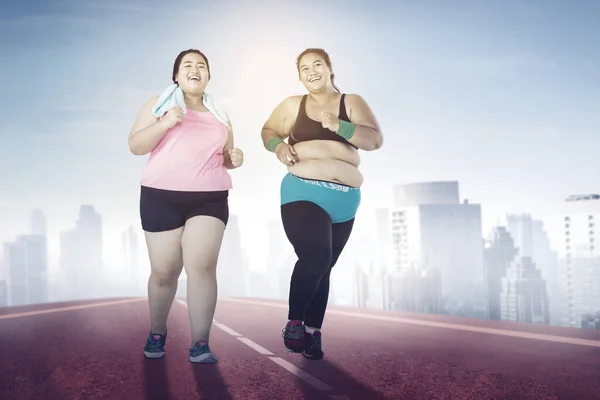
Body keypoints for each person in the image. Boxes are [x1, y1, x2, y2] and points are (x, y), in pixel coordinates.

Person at [260, 48, 383, 360]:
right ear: (299, 76)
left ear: (330, 69)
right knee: (316, 256)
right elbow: (268, 130)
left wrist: (340, 125)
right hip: (303, 191)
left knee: (324, 266)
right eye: (304, 68)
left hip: (345, 200)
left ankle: (313, 333)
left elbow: (374, 140)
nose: (311, 71)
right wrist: (278, 147)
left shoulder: (351, 102)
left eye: (317, 65)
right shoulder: (292, 105)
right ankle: (294, 323)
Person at [128, 49, 243, 363]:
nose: (195, 69)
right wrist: (165, 123)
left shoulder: (221, 115)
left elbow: (227, 156)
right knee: (165, 273)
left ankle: (200, 343)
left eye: (202, 65)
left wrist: (235, 159)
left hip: (209, 197)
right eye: (187, 65)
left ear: (208, 76)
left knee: (202, 267)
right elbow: (136, 145)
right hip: (160, 196)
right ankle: (157, 331)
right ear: (176, 75)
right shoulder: (158, 105)